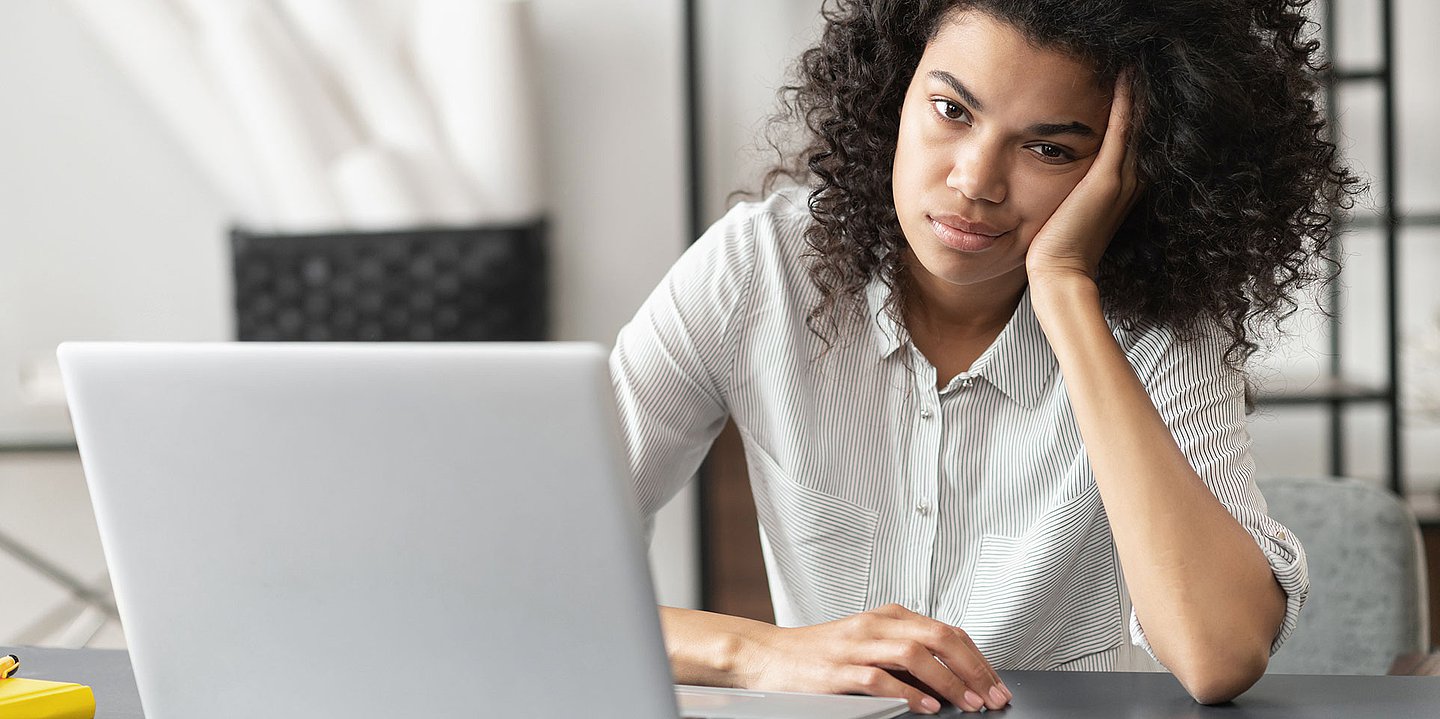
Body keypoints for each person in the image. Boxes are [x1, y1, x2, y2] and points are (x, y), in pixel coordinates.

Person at [610, 0, 1360, 713]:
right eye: (951, 111)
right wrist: (756, 654)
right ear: (893, 89)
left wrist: (1066, 292)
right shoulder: (758, 269)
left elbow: (1220, 654)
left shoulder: (1160, 328)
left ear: (1132, 172)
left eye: (1048, 148)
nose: (974, 181)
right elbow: (515, 562)